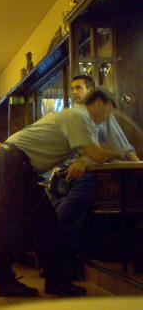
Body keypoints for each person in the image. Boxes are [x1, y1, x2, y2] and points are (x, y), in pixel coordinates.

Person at [0, 90, 124, 297]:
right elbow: (97, 154)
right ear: (100, 103)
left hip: (12, 161)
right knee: (17, 223)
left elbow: (88, 155)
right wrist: (123, 152)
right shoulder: (79, 117)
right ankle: (24, 282)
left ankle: (47, 280)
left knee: (38, 222)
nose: (108, 116)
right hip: (14, 163)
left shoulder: (74, 117)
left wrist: (86, 159)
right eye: (109, 109)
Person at [50, 75, 140, 276]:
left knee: (62, 217)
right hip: (62, 175)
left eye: (79, 88)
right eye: (72, 88)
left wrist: (136, 166)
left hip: (85, 176)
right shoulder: (72, 115)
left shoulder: (101, 116)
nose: (74, 92)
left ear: (92, 92)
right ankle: (60, 269)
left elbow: (122, 145)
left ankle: (58, 268)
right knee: (70, 220)